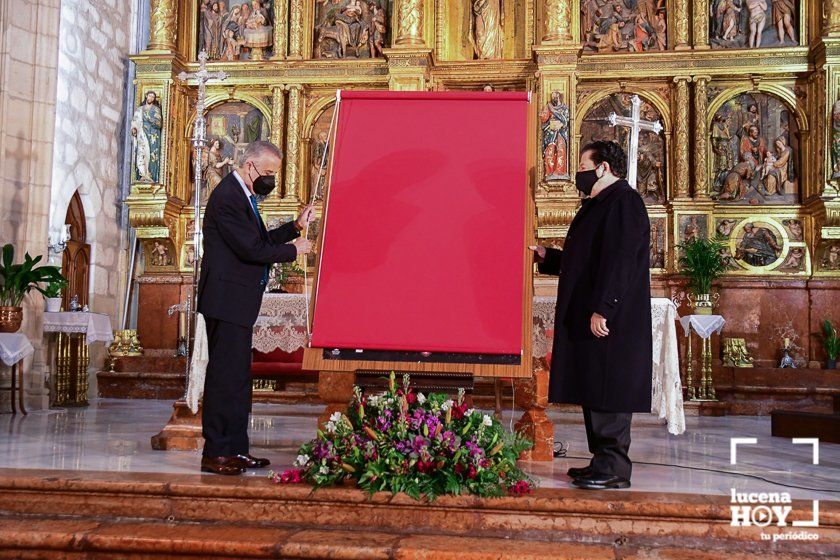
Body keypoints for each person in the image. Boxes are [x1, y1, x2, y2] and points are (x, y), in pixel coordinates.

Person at [530, 140, 652, 490]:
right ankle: (601, 460)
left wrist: (604, 308)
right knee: (595, 388)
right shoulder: (600, 204)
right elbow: (586, 259)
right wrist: (548, 257)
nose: (579, 174)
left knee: (609, 388)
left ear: (603, 168)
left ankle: (614, 467)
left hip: (611, 318)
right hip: (593, 312)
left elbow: (622, 261)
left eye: (584, 166)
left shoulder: (625, 203)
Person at [197, 140, 315, 475]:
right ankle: (216, 451)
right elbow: (251, 250)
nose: (270, 180)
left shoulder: (244, 196)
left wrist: (294, 227)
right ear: (249, 166)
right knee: (224, 378)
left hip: (237, 301)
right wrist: (295, 250)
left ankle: (235, 449)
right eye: (268, 173)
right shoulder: (227, 198)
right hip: (226, 300)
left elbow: (260, 241)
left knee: (237, 379)